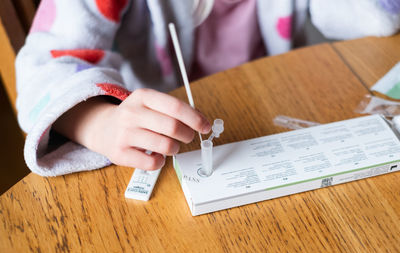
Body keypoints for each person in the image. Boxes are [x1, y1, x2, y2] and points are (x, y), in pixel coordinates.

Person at [15, 0, 400, 176]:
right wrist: (99, 122)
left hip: (266, 112)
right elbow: (41, 71)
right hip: (155, 142)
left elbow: (368, 16)